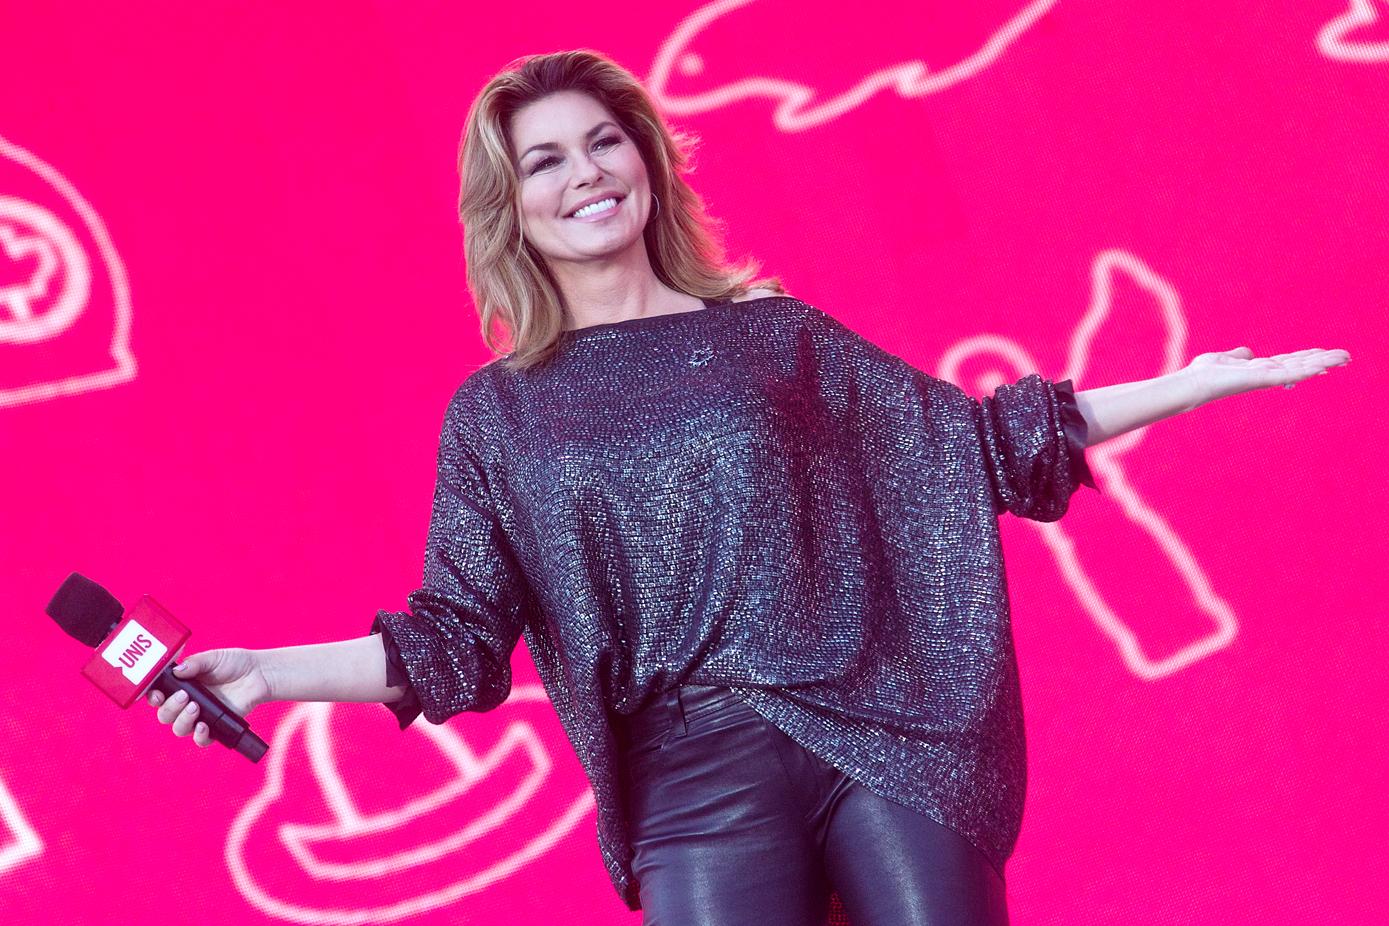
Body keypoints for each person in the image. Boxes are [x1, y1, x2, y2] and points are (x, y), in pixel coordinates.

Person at [148, 49, 1350, 925]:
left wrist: (1185, 385)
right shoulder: (496, 413)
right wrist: (265, 674)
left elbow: (974, 448)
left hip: (884, 733)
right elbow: (457, 641)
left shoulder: (771, 337)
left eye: (604, 140)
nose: (586, 174)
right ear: (508, 210)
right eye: (544, 160)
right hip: (692, 773)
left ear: (646, 157)